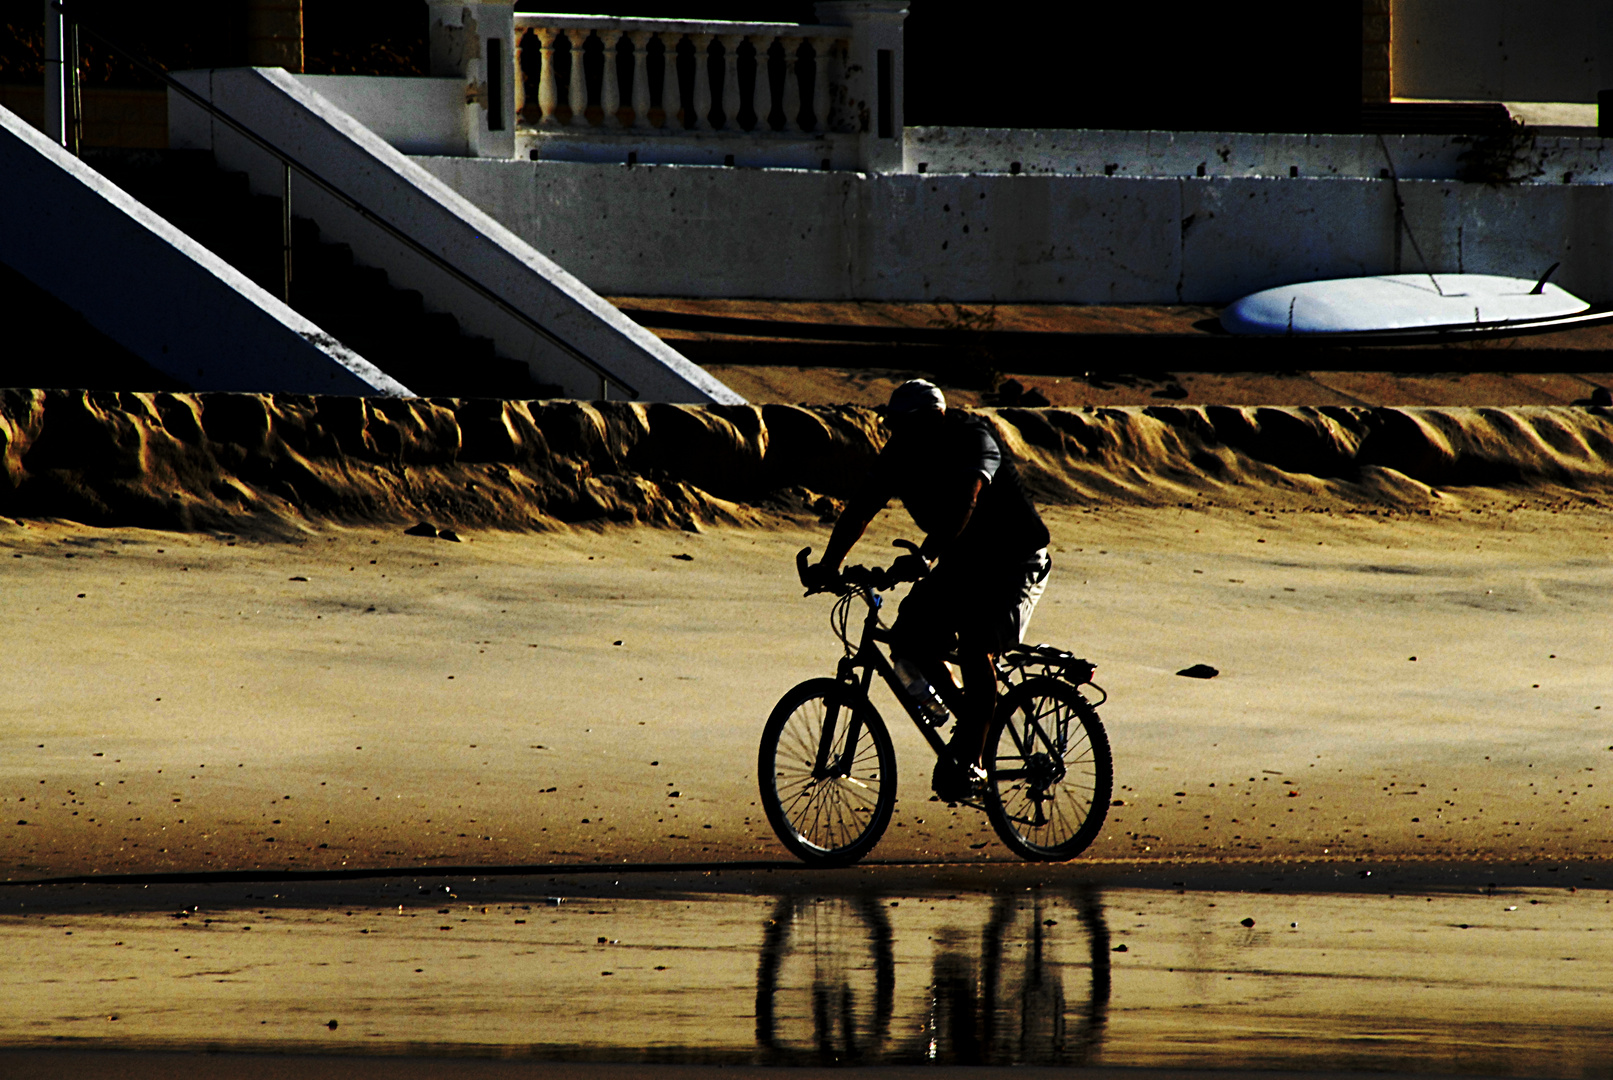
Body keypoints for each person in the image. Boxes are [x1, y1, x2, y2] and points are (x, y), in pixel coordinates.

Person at [804, 379, 1052, 802]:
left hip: (1015, 561)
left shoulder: (973, 439)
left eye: (903, 425)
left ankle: (973, 759)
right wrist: (829, 565)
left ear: (932, 420)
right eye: (893, 426)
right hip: (963, 562)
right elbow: (861, 508)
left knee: (976, 645)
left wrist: (926, 555)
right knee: (906, 640)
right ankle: (972, 720)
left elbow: (966, 502)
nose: (895, 434)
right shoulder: (900, 453)